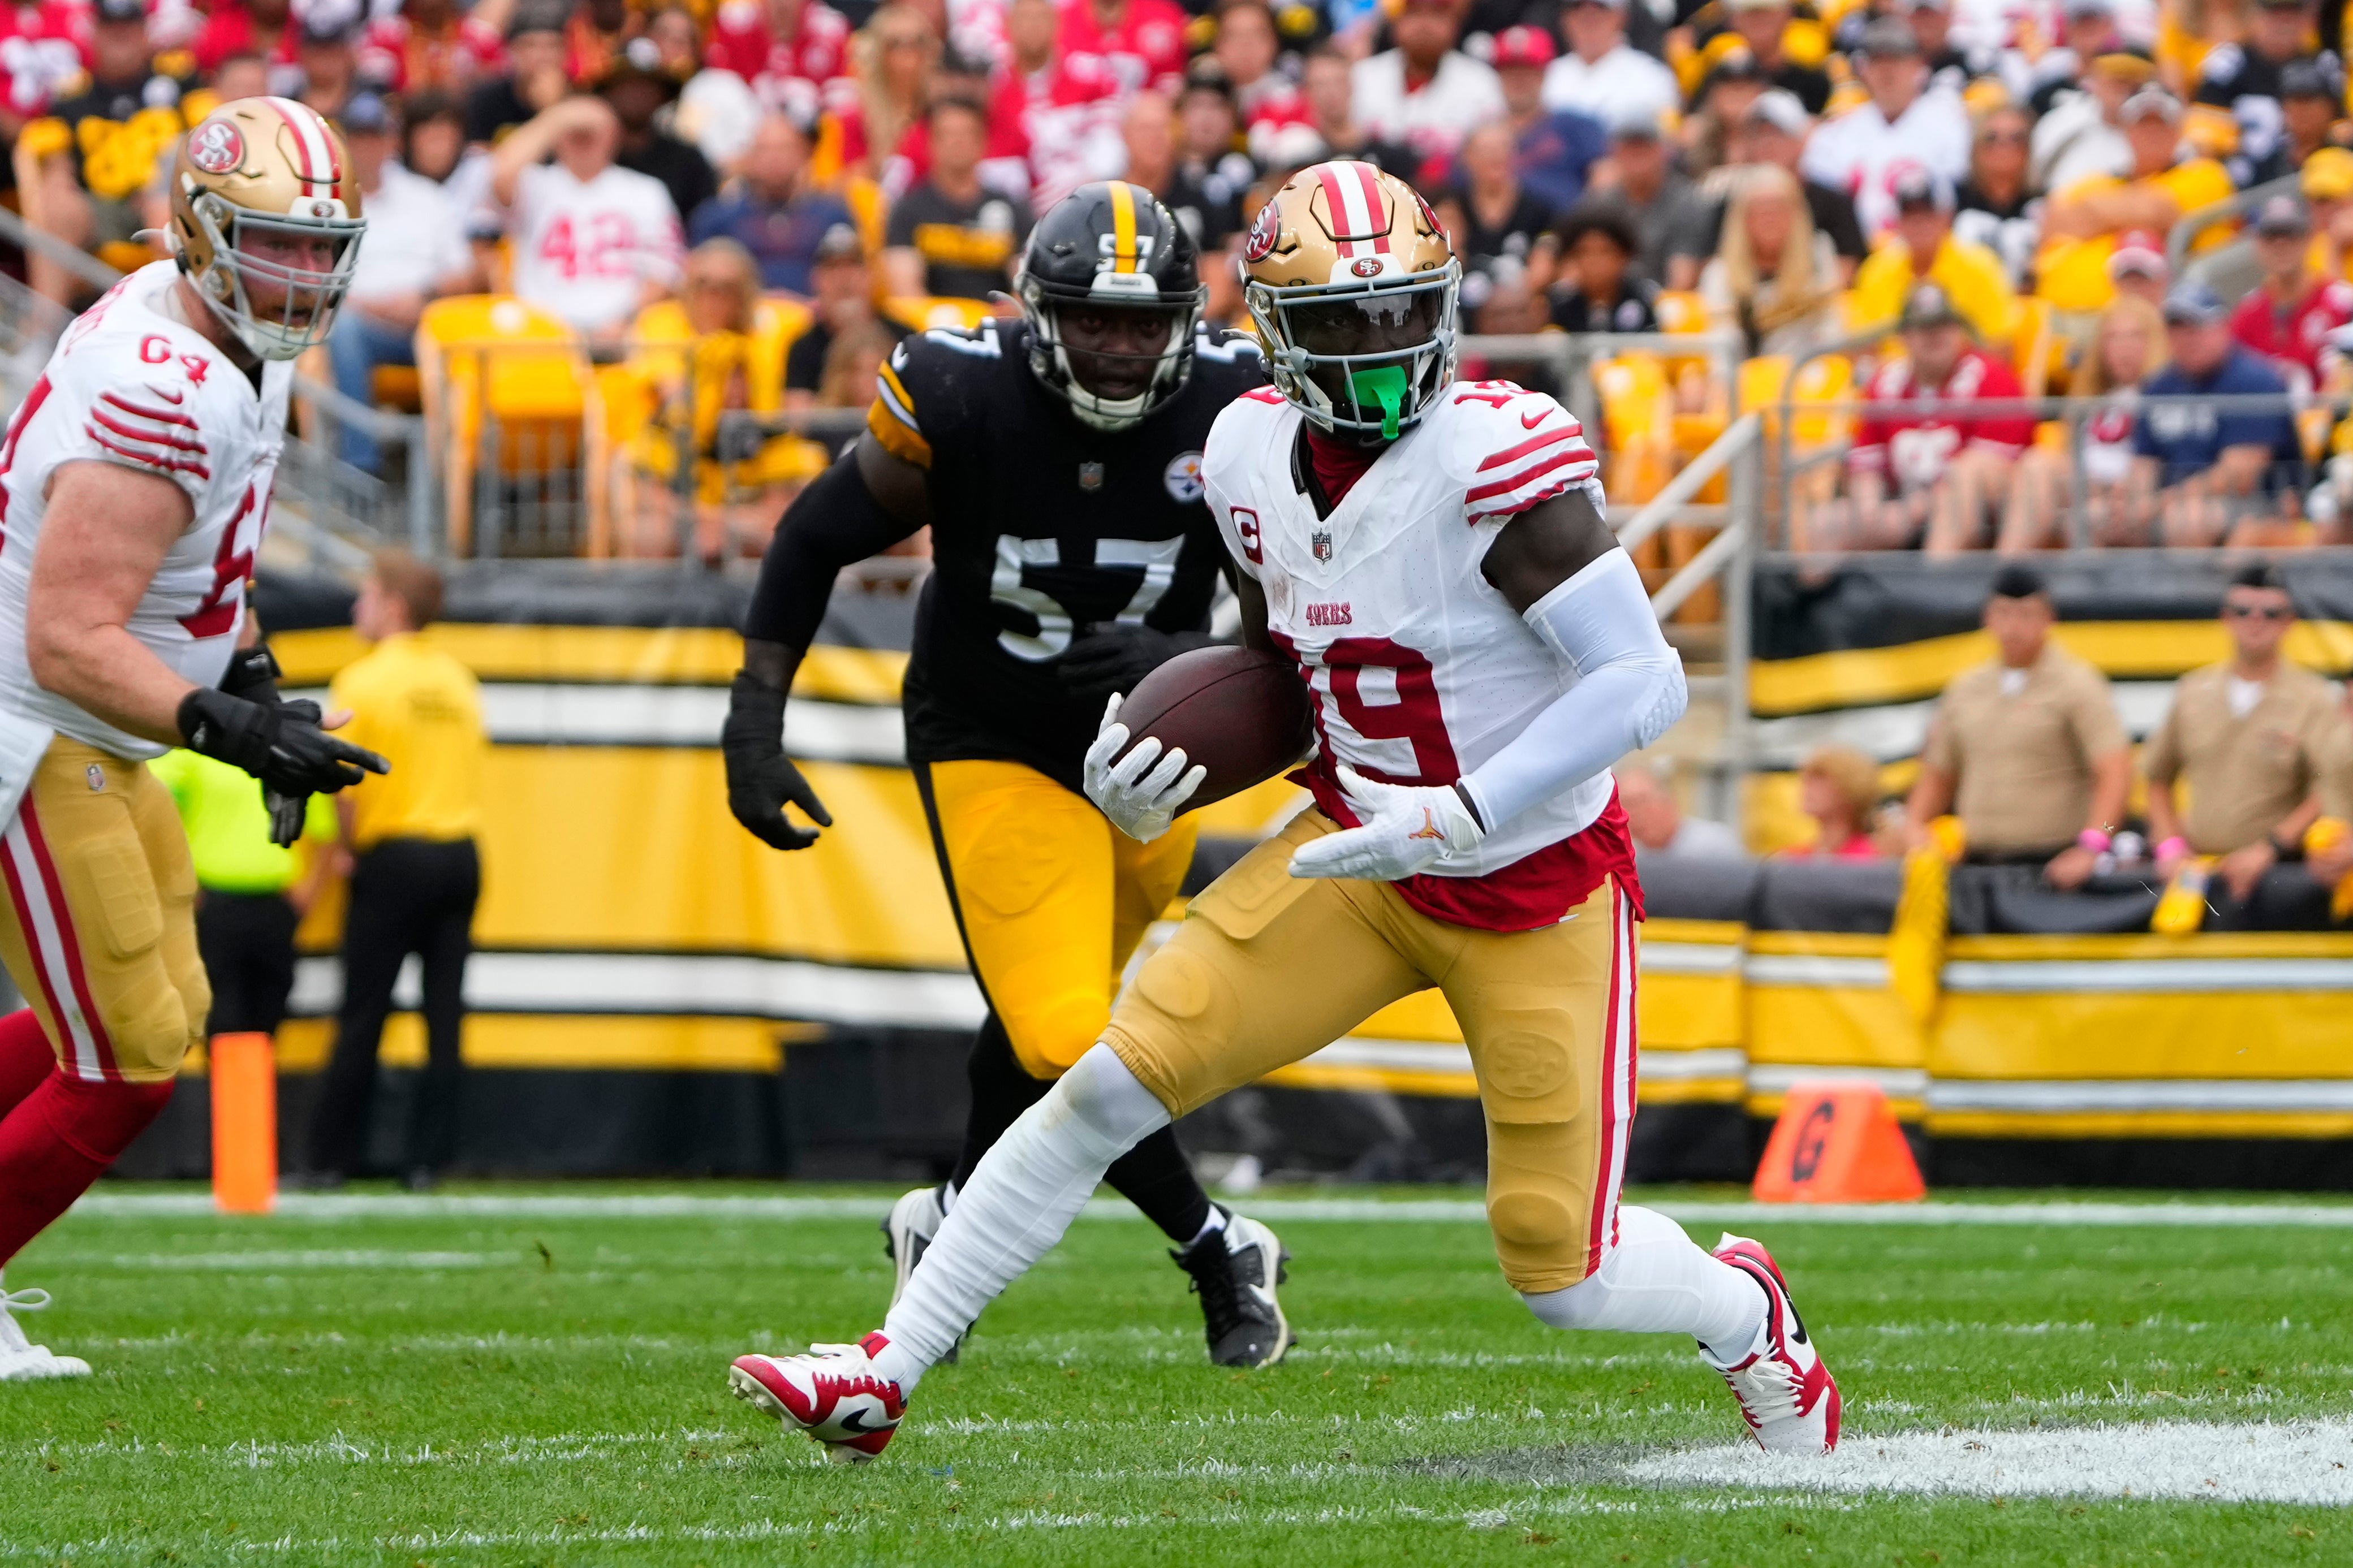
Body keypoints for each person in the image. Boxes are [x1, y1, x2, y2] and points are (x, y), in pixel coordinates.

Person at [726, 160, 1839, 1467]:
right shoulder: (1247, 449)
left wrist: (1463, 808)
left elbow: (1646, 680)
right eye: (1339, 324)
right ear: (1270, 329)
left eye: (1400, 312)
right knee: (1101, 1081)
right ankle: (886, 1370)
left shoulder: (1494, 448)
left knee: (1561, 1270)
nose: (1378, 352)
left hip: (1531, 882)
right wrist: (1166, 753)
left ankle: (1746, 1313)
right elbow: (1290, 678)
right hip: (1357, 857)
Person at [718, 183, 1292, 1372]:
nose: (1123, 347)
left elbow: (1287, 613)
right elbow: (813, 537)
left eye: (1144, 324)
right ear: (1037, 314)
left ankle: (945, 1219)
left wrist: (1187, 660)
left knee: (1047, 1020)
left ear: (1188, 319)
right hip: (995, 735)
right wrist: (752, 728)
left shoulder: (1236, 403)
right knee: (1066, 1032)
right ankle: (1212, 1242)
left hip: (1151, 760)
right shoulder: (960, 392)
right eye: (1093, 320)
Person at [0, 98, 386, 1379]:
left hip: (90, 725)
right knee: (122, 1062)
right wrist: (222, 725)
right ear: (201, 229)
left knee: (161, 1009)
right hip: (37, 720)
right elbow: (67, 631)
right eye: (270, 245)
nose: (297, 276)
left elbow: (201, 563)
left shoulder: (220, 340)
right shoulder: (162, 379)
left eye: (315, 251)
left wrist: (254, 678)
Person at [305, 552, 484, 1192]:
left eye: (368, 597)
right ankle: (429, 1161)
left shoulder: (362, 679)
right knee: (444, 1017)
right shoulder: (459, 679)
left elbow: (344, 785)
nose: (358, 609)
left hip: (395, 857)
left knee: (363, 1013)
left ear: (395, 608)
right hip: (460, 854)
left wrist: (349, 848)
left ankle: (331, 1160)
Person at [1903, 565, 2130, 888]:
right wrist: (1915, 826)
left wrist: (2094, 846)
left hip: (2053, 865)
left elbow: (2116, 773)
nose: (2014, 627)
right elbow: (1939, 773)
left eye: (2026, 615)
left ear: (2049, 619)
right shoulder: (1967, 689)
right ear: (1988, 619)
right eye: (2004, 614)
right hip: (1976, 862)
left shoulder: (2077, 685)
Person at [2144, 563, 2337, 909]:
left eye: (2271, 612)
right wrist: (2171, 847)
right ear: (2226, 618)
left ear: (2289, 621)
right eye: (2244, 610)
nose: (2256, 620)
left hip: (2279, 874)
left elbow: (2329, 788)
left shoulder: (2313, 698)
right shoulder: (2193, 691)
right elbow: (2157, 777)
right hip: (2197, 870)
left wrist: (2271, 847)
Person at [1822, 283, 2033, 554]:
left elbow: (1991, 471)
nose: (1934, 335)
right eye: (1923, 327)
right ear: (1904, 336)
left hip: (1982, 514)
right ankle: (1807, 593)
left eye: (1943, 325)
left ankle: (1934, 585)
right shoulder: (1884, 383)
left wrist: (1920, 508)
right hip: (1901, 503)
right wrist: (1870, 513)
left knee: (1963, 481)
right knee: (1827, 523)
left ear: (1958, 330)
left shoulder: (1993, 378)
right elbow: (1866, 467)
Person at [328, 93, 477, 476]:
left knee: (467, 338)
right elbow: (313, 280)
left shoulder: (428, 197)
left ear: (393, 141)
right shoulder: (323, 203)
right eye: (357, 138)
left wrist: (422, 297)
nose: (367, 147)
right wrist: (364, 305)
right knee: (342, 328)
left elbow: (466, 274)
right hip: (360, 324)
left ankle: (463, 473)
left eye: (375, 136)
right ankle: (360, 469)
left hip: (428, 323)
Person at [151, 749, 337, 1039]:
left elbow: (326, 832)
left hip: (275, 903)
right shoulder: (195, 751)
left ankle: (250, 1084)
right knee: (221, 1015)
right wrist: (183, 890)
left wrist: (307, 895)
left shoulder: (291, 755)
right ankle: (233, 1084)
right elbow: (157, 817)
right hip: (214, 901)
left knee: (268, 1014)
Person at [493, 94, 684, 347]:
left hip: (624, 334)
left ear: (614, 136)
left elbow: (663, 270)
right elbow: (500, 172)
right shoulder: (533, 183)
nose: (582, 139)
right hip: (542, 337)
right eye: (574, 133)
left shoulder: (645, 191)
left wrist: (626, 321)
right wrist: (558, 117)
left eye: (592, 133)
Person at [2035, 86, 2235, 318]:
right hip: (2074, 318)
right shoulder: (2096, 182)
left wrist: (2093, 212)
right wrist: (2122, 211)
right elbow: (2052, 222)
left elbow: (2157, 211)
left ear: (2178, 131)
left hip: (2167, 319)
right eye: (2142, 123)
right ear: (2125, 129)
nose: (2151, 132)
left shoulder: (2206, 175)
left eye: (2161, 123)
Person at [2132, 282, 2304, 546]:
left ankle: (2198, 589)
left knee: (2189, 520)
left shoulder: (2255, 380)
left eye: (2195, 327)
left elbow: (2239, 475)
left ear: (2223, 327)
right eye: (2176, 329)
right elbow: (2144, 462)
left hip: (2257, 504)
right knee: (2097, 517)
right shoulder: (2160, 386)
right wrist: (2136, 501)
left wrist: (2161, 501)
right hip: (2173, 501)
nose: (2185, 338)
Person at [2001, 293, 2166, 549]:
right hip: (2082, 485)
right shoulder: (2090, 397)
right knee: (2037, 465)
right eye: (2113, 337)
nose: (2124, 346)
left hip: (2133, 493)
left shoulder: (2166, 394)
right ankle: (2006, 569)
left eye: (2136, 336)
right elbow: (2071, 452)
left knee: (2086, 517)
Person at [1665, 91, 1867, 292]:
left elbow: (1843, 281)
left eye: (1778, 133)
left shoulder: (1834, 201)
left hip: (1812, 308)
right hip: (1744, 309)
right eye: (1758, 134)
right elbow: (1708, 274)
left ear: (1801, 140)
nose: (1767, 142)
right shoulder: (1725, 200)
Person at [1798, 18, 1968, 239]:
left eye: (1896, 59)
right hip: (1858, 253)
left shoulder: (1950, 128)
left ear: (1919, 66)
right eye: (1877, 60)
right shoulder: (1836, 133)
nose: (1887, 71)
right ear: (1862, 69)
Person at [1850, 169, 2024, 352]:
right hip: (1893, 375)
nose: (1919, 223)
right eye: (1909, 214)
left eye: (1927, 213)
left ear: (1947, 216)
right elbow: (1861, 347)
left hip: (1964, 374)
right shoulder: (1878, 270)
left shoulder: (1980, 266)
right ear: (1897, 222)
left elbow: (2001, 345)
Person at [881, 97, 1036, 300]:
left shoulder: (1014, 211)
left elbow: (1025, 288)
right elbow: (906, 293)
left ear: (983, 141)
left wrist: (1007, 317)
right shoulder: (908, 212)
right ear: (931, 142)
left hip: (997, 324)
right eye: (948, 134)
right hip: (931, 324)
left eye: (965, 134)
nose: (957, 142)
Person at [688, 110, 857, 293]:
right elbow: (698, 283)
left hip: (816, 316)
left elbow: (850, 277)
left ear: (805, 154)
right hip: (742, 318)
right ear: (748, 156)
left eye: (785, 148)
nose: (775, 158)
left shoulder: (832, 215)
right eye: (764, 149)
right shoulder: (717, 218)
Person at [1697, 162, 1842, 356]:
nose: (1769, 218)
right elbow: (1721, 344)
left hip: (1809, 372)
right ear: (1742, 218)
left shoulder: (1818, 255)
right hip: (1748, 377)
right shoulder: (1720, 273)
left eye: (1778, 208)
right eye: (1759, 210)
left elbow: (1832, 327)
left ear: (1797, 214)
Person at [1349, 0, 1503, 165]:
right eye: (1413, 14)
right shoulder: (1362, 77)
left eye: (1437, 15)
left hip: (1452, 189)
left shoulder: (1481, 82)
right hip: (1373, 185)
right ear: (1395, 24)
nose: (1424, 25)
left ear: (1455, 24)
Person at [2229, 196, 2353, 390]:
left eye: (2290, 234)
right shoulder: (2248, 313)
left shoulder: (2342, 303)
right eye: (2271, 235)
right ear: (2258, 244)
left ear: (2308, 238)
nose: (2281, 244)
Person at [2193, 0, 2317, 187]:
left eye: (2294, 11)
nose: (2284, 21)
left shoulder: (2322, 67)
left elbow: (2338, 139)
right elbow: (2204, 141)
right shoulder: (2227, 64)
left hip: (2308, 184)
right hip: (2240, 186)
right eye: (2274, 11)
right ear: (2254, 14)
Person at [1489, 24, 1606, 216]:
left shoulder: (1577, 125)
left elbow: (1605, 180)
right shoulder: (1482, 136)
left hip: (1568, 229)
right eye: (1510, 70)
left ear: (1544, 73)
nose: (1519, 80)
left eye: (1527, 70)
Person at [605, 36, 718, 231]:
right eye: (627, 84)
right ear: (609, 92)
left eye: (646, 85)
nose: (636, 94)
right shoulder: (589, 159)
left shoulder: (688, 161)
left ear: (662, 95)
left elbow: (704, 230)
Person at [785, 224, 907, 404]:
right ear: (816, 280)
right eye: (833, 268)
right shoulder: (803, 349)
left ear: (872, 275)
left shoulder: (904, 339)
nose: (845, 278)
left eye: (854, 265)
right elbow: (798, 420)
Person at [1597, 108, 1704, 288]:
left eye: (1645, 146)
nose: (1637, 155)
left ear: (1662, 151)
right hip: (1612, 301)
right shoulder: (1603, 202)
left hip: (1664, 302)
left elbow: (1682, 279)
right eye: (1629, 147)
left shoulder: (1686, 200)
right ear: (1615, 153)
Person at [1541, 0, 1677, 130]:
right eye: (1577, 8)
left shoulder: (1653, 77)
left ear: (1621, 16)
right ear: (1565, 19)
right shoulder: (1546, 75)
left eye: (1600, 9)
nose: (1588, 18)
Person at [1953, 103, 2040, 290]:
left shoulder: (2045, 204)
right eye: (1992, 138)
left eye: (2016, 138)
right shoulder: (1952, 200)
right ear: (1976, 147)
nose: (2004, 147)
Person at [1549, 198, 1659, 331]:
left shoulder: (1644, 302)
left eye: (1605, 251)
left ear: (1624, 257)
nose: (1594, 261)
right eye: (1584, 252)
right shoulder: (1561, 308)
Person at [1618, 761, 1747, 862]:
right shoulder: (1627, 858)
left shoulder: (1714, 846)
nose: (1635, 813)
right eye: (1626, 804)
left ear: (1668, 800)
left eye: (1641, 801)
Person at [1721, 0, 1830, 114]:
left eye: (1767, 12)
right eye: (1749, 14)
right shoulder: (1723, 77)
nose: (1759, 20)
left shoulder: (1814, 82)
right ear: (1733, 20)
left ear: (1788, 14)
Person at [1783, 746, 1885, 859]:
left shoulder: (1867, 858)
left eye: (1821, 779)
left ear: (1850, 787)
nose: (1807, 787)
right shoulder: (1792, 857)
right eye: (1807, 778)